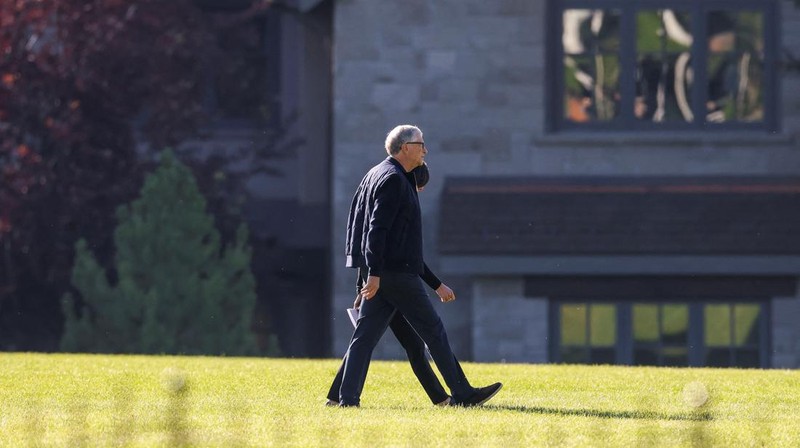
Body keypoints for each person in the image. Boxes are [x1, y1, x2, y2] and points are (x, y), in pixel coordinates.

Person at [332, 124, 502, 407]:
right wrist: (372, 275)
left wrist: (432, 283)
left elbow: (394, 241)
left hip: (385, 273)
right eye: (421, 144)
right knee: (433, 331)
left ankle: (344, 399)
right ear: (405, 148)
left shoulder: (378, 174)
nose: (425, 150)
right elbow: (376, 231)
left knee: (364, 337)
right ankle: (463, 393)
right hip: (396, 275)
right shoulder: (393, 180)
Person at [326, 163, 457, 407]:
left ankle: (339, 398)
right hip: (394, 280)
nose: (416, 195)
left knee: (376, 341)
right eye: (418, 189)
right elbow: (390, 246)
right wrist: (437, 285)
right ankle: (345, 399)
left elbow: (365, 241)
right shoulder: (398, 193)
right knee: (411, 338)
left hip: (378, 279)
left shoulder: (375, 178)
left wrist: (363, 283)